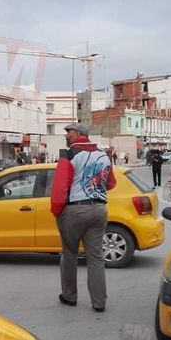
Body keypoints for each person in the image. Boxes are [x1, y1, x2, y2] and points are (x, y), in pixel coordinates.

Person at [50, 122, 115, 312]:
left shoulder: (70, 155)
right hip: (99, 209)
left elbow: (60, 186)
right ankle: (99, 302)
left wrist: (57, 211)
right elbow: (111, 183)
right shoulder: (103, 156)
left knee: (69, 254)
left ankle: (69, 296)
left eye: (69, 132)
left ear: (78, 134)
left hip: (75, 210)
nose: (66, 135)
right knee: (96, 258)